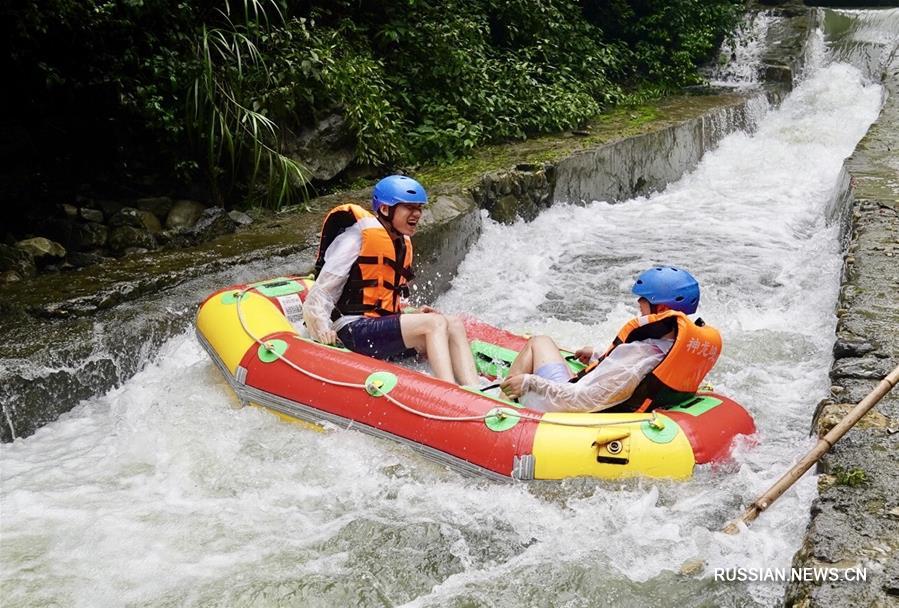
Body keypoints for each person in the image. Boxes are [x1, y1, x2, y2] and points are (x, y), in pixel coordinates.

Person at [302, 175, 481, 386]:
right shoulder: (355, 239)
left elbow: (383, 303)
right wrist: (322, 330)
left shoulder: (400, 242)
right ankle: (448, 391)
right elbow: (320, 293)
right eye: (409, 208)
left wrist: (411, 317)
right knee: (434, 324)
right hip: (352, 331)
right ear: (386, 210)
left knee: (453, 323)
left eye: (419, 208)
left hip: (376, 329)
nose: (417, 214)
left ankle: (474, 390)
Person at [500, 266, 722, 413]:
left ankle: (498, 404)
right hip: (606, 402)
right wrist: (598, 357)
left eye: (643, 300)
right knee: (542, 343)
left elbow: (583, 399)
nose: (638, 305)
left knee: (538, 342)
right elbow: (630, 378)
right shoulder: (672, 349)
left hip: (563, 408)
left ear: (661, 308)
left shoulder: (642, 356)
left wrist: (529, 383)